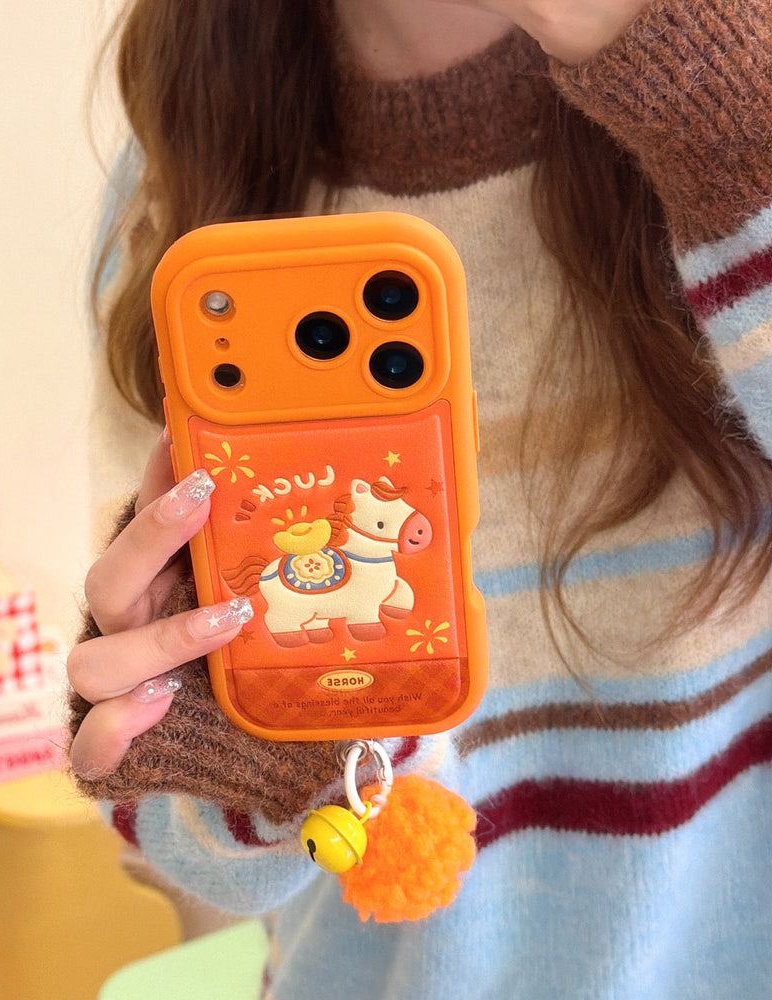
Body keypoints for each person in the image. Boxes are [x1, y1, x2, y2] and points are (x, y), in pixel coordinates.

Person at [66, 1, 772, 996]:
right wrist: (238, 737)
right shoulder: (189, 163)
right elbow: (213, 851)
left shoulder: (741, 66)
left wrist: (706, 81)